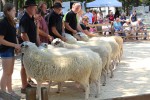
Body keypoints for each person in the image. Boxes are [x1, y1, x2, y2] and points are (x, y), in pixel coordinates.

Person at [0, 3, 21, 97]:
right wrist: (14, 45)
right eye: (13, 10)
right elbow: (1, 40)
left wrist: (16, 46)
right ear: (8, 11)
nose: (15, 12)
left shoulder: (11, 22)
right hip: (5, 50)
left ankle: (10, 91)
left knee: (10, 72)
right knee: (6, 73)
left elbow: (14, 36)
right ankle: (3, 94)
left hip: (11, 50)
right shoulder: (3, 23)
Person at [19, 0, 40, 93]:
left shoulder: (31, 18)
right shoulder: (24, 19)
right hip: (27, 47)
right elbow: (23, 34)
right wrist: (30, 46)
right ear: (28, 8)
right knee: (24, 66)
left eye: (34, 7)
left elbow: (34, 32)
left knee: (28, 65)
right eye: (32, 7)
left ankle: (27, 82)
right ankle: (24, 86)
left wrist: (36, 44)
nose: (34, 9)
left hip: (32, 46)